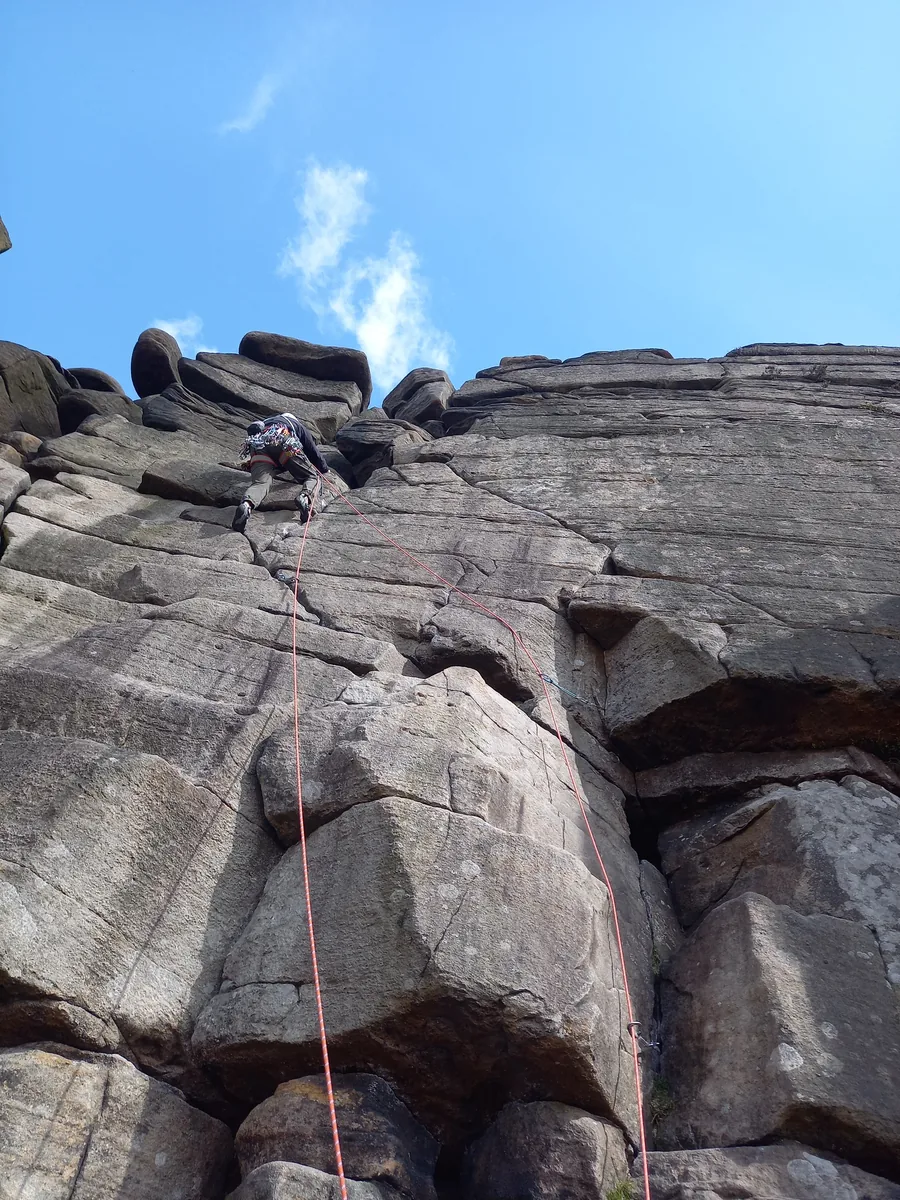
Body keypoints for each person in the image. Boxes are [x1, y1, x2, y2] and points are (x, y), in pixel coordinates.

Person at [232, 412, 330, 533]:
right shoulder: (295, 424)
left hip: (257, 447)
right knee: (312, 476)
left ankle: (247, 505)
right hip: (282, 440)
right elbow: (312, 451)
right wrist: (324, 469)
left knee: (260, 483)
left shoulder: (266, 423)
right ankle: (304, 497)